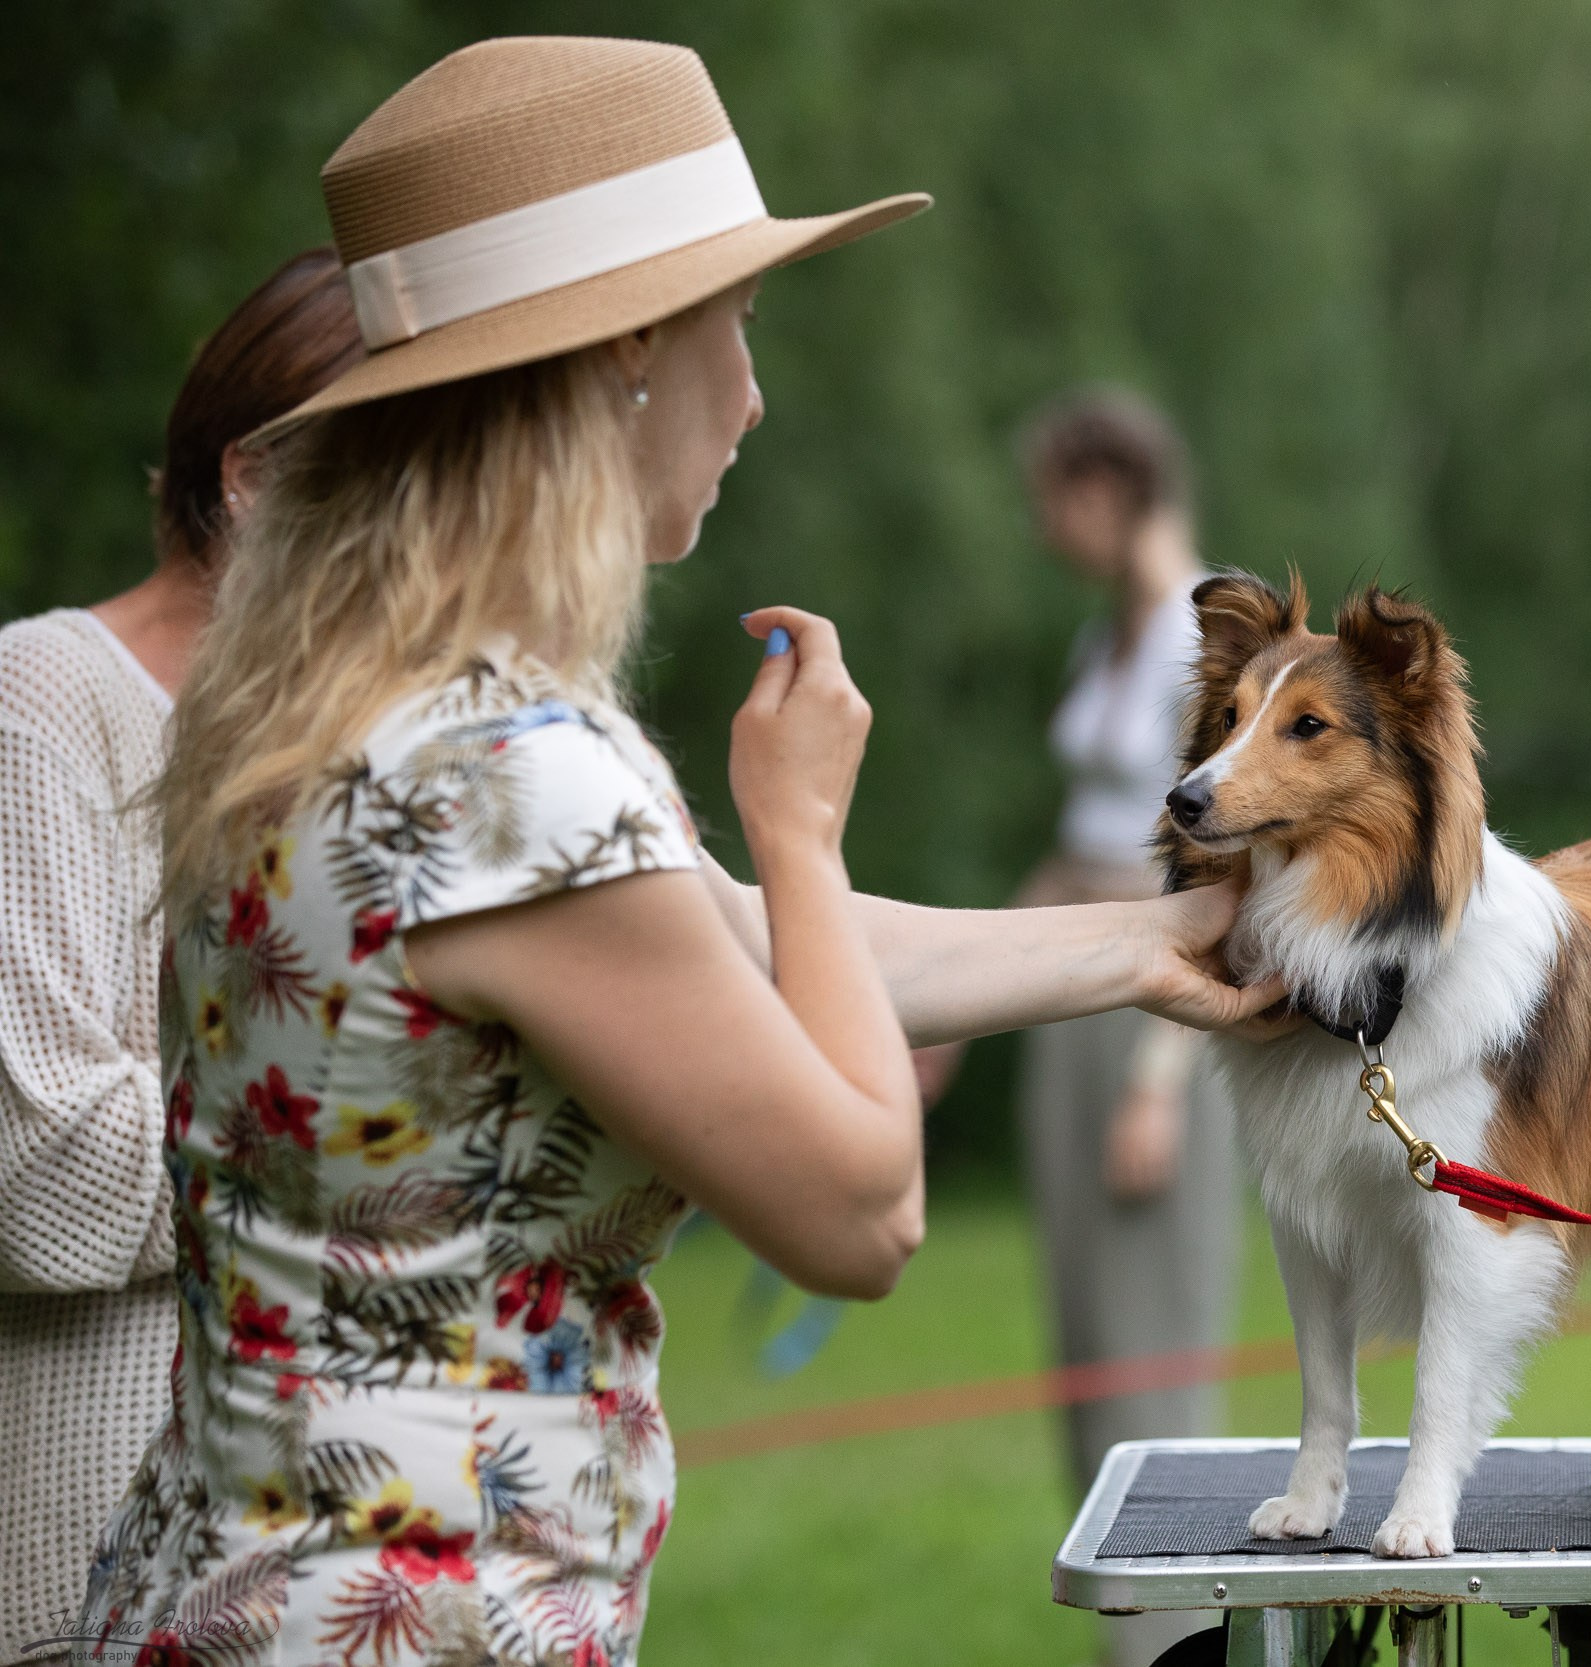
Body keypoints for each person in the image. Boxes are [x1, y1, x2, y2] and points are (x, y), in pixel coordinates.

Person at [70, 38, 1279, 1665]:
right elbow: (861, 1211)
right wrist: (800, 825)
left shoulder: (325, 708)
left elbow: (734, 957)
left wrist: (1155, 946)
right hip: (428, 1622)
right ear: (633, 347)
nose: (757, 390)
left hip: (219, 1586)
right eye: (742, 321)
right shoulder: (512, 772)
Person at [0, 249, 364, 1667]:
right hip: (81, 1558)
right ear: (253, 478)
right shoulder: (41, 704)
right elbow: (31, 1160)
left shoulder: (348, 743)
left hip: (310, 1551)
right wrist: (372, 1158)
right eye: (387, 466)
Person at [1014, 390, 1238, 1667]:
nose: (1049, 528)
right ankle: (1124, 1636)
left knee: (1153, 1330)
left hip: (1162, 1019)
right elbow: (1082, 851)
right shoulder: (1104, 642)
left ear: (1109, 486)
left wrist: (1160, 1077)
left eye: (1058, 496)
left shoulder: (1204, 639)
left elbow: (1216, 884)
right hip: (1071, 995)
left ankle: (1182, 1640)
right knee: (1085, 1329)